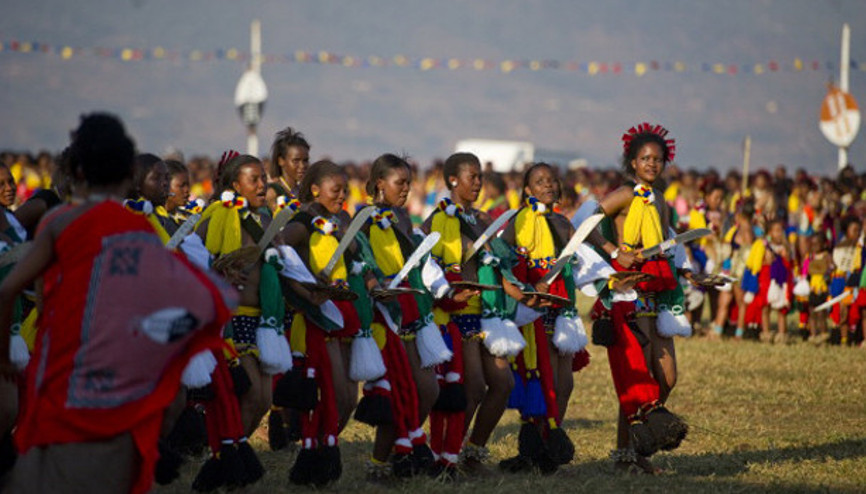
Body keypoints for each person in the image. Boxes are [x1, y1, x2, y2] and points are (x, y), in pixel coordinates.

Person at [0, 113, 233, 494]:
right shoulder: (136, 229)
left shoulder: (58, 222)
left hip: (59, 365)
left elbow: (10, 291)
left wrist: (3, 356)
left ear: (75, 171)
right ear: (128, 175)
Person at [588, 122, 689, 473]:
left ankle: (644, 440)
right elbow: (586, 223)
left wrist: (689, 273)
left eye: (658, 159)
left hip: (655, 295)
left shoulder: (660, 200)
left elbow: (666, 244)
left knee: (667, 378)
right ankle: (627, 454)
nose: (652, 164)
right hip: (628, 296)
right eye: (645, 158)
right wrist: (615, 253)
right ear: (632, 162)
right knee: (638, 379)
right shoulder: (624, 195)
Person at [422, 152, 522, 476]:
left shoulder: (480, 219)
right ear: (453, 179)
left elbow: (497, 265)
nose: (479, 183)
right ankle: (445, 455)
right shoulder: (437, 218)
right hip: (456, 313)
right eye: (472, 177)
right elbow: (422, 256)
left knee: (503, 384)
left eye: (480, 177)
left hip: (487, 313)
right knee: (475, 387)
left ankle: (472, 454)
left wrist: (521, 292)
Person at [359, 154, 447, 480]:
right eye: (401, 183)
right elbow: (362, 263)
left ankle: (403, 451)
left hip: (410, 310)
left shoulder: (404, 220)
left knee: (427, 391)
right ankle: (380, 464)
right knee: (396, 393)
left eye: (409, 183)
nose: (407, 189)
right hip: (384, 316)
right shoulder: (364, 221)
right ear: (380, 184)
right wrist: (375, 284)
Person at [499, 162, 586, 473]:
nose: (548, 185)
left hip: (563, 309)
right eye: (539, 181)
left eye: (551, 180)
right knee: (544, 381)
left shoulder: (563, 224)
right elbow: (500, 258)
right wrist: (522, 289)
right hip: (536, 311)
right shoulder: (517, 222)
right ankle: (535, 449)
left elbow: (586, 253)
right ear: (527, 190)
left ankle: (549, 442)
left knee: (565, 384)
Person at [267, 126, 310, 202]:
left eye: (305, 160)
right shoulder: (273, 192)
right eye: (296, 161)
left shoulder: (304, 193)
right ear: (281, 161)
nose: (302, 166)